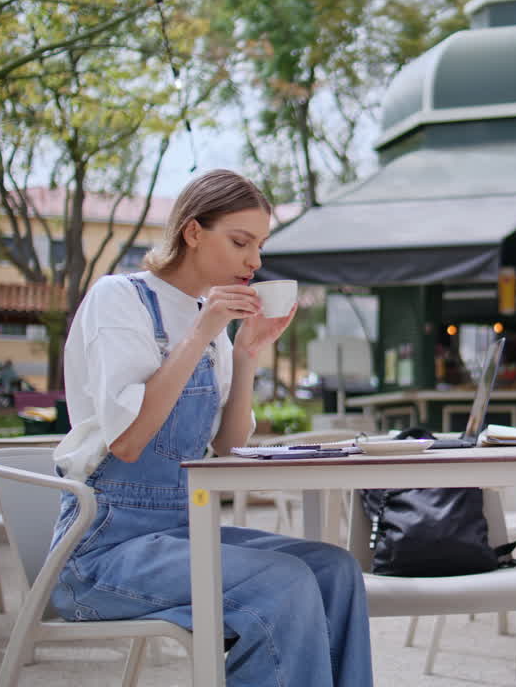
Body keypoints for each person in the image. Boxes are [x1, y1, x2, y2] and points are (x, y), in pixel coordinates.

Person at [49, 169, 372, 686]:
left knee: (335, 570)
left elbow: (227, 449)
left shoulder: (212, 322)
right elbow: (128, 443)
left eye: (260, 245)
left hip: (180, 535)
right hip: (101, 555)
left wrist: (245, 354)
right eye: (241, 241)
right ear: (193, 232)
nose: (255, 261)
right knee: (283, 583)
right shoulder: (120, 299)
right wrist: (203, 332)